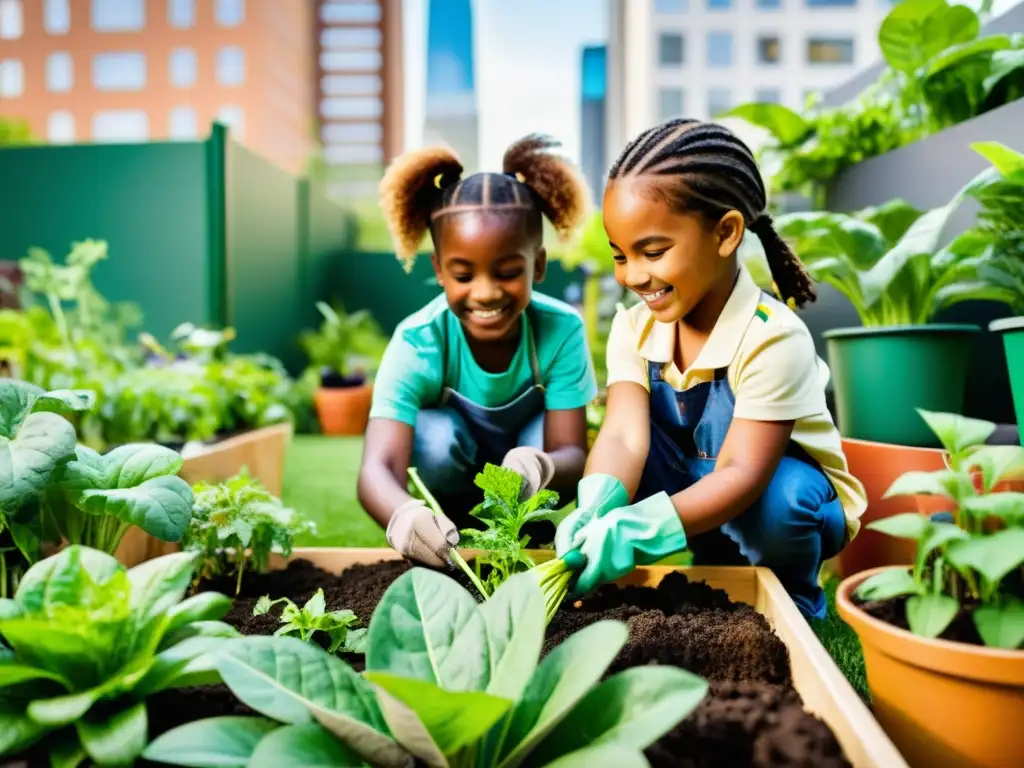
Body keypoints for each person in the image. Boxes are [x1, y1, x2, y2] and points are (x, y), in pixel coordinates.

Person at [554, 119, 867, 620]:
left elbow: (743, 473)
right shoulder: (633, 327)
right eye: (620, 255)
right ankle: (715, 560)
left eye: (653, 252)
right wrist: (597, 505)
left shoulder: (772, 335)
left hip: (770, 492)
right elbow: (624, 439)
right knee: (630, 463)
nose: (633, 275)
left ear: (725, 234)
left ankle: (796, 600)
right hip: (692, 482)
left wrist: (640, 531)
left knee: (786, 501)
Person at [358, 135, 597, 569]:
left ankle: (527, 528)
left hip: (526, 487)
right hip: (451, 476)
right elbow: (378, 467)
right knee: (434, 437)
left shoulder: (560, 331)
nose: (485, 293)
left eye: (507, 273)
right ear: (439, 270)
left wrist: (540, 467)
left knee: (537, 439)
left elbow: (572, 453)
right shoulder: (418, 341)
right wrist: (403, 514)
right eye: (463, 274)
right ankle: (446, 528)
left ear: (537, 265)